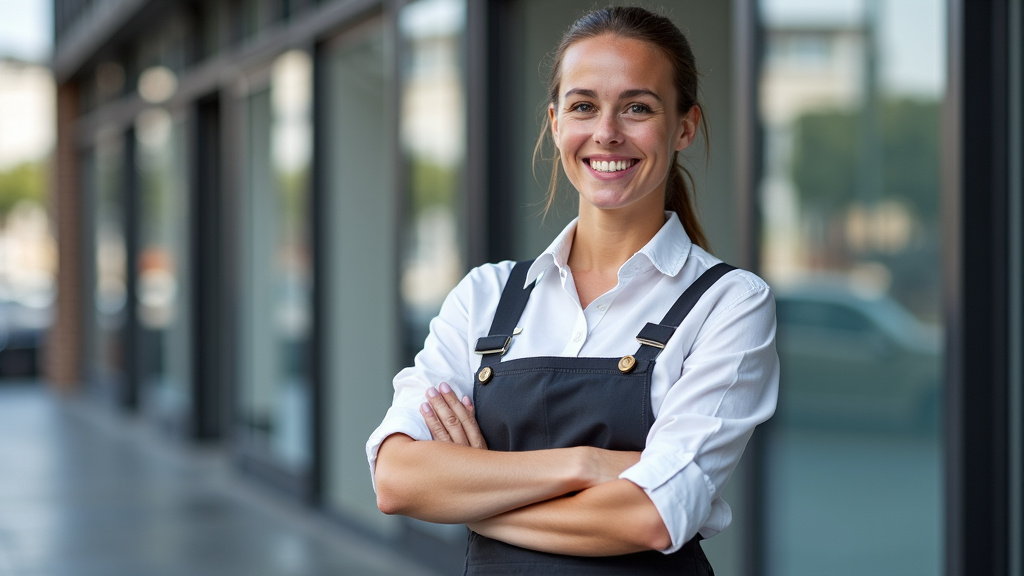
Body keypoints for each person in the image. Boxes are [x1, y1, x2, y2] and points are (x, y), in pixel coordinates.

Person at [366, 6, 779, 575]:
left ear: (684, 126)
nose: (607, 132)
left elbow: (649, 517)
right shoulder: (484, 296)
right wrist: (585, 465)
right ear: (557, 123)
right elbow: (398, 479)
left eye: (638, 107)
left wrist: (476, 498)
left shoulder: (728, 303)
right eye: (584, 106)